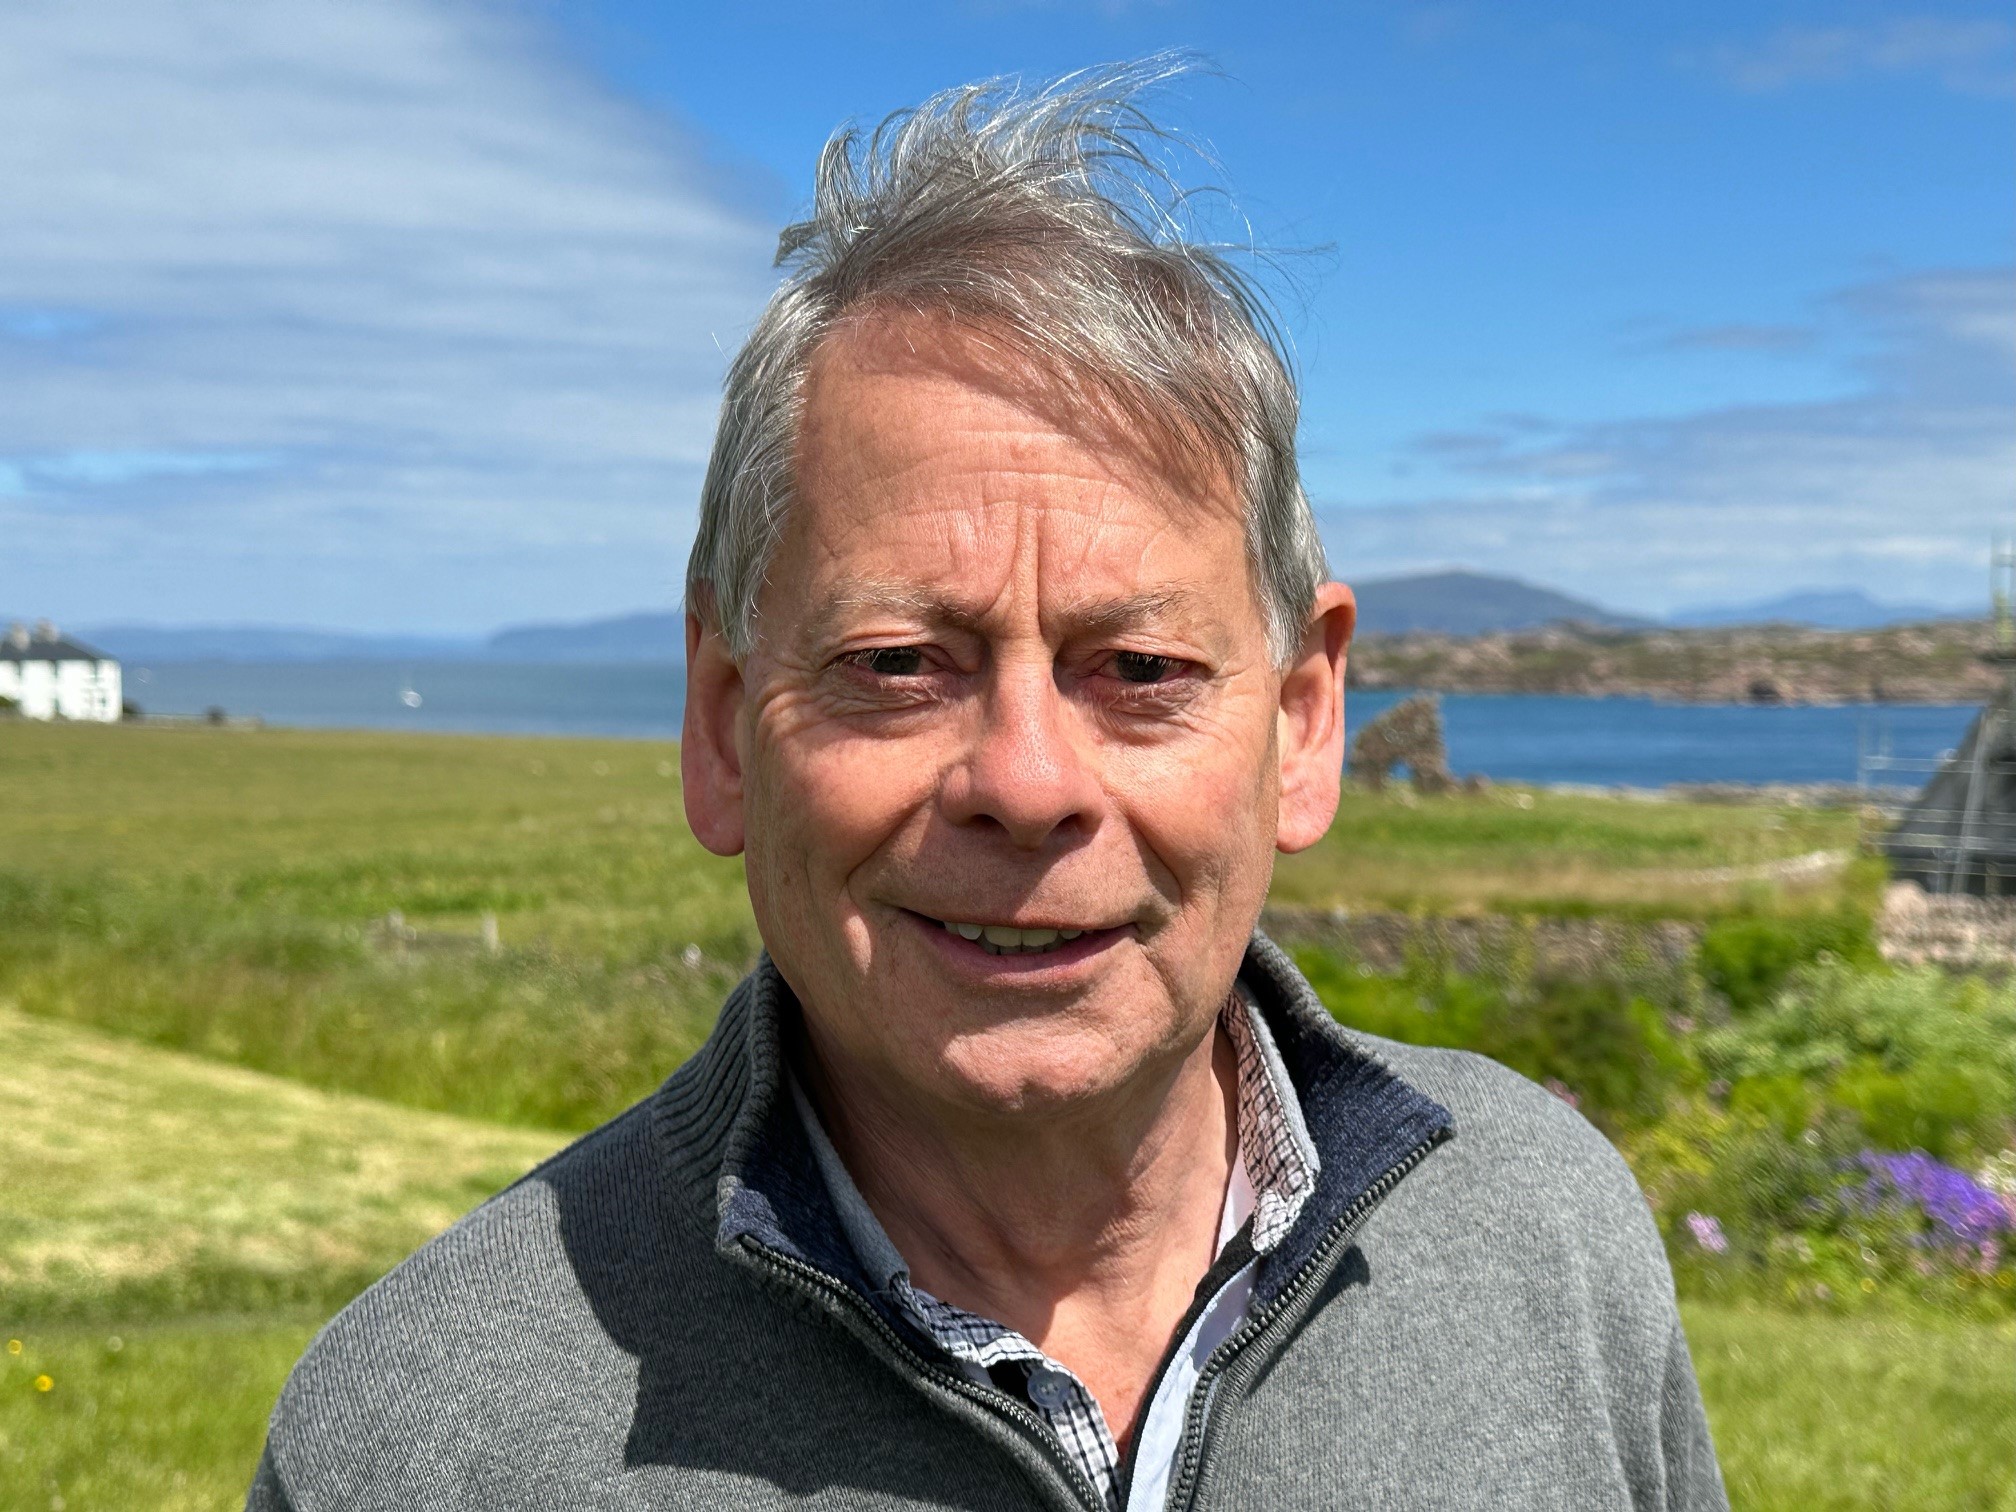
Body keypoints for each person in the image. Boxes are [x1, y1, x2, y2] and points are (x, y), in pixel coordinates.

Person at [248, 62, 1726, 1511]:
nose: (1026, 783)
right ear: (721, 730)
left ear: (1305, 722)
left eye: (1139, 670)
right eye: (898, 662)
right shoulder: (424, 1438)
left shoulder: (1544, 1230)